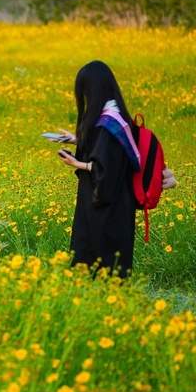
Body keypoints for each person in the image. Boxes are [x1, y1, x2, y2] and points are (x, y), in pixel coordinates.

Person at [55, 61, 139, 278]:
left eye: (84, 91)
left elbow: (107, 170)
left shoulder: (111, 124)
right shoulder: (114, 115)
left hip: (108, 211)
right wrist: (77, 140)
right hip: (111, 207)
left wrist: (76, 163)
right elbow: (103, 151)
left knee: (101, 265)